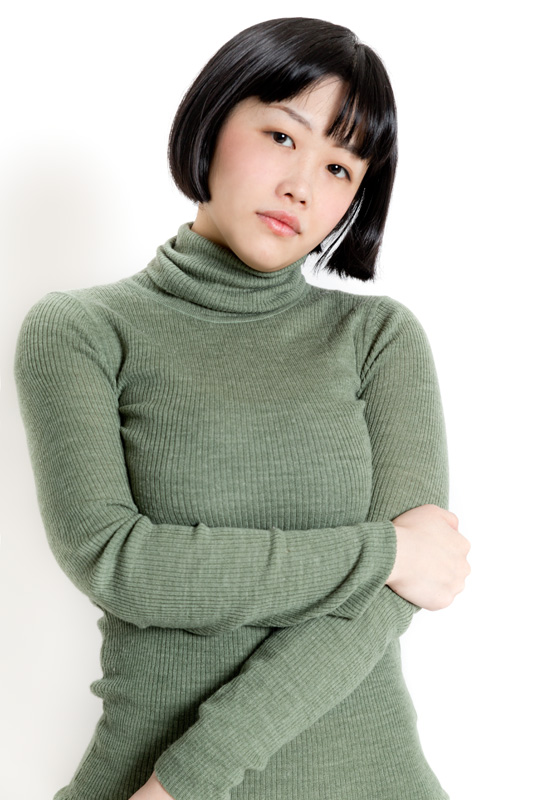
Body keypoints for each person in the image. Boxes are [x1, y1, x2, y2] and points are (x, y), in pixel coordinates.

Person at [14, 16, 471, 800]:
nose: (301, 186)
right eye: (282, 136)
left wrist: (188, 778)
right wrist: (384, 552)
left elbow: (393, 600)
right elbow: (120, 564)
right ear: (214, 118)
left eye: (339, 167)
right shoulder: (81, 331)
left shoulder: (377, 338)